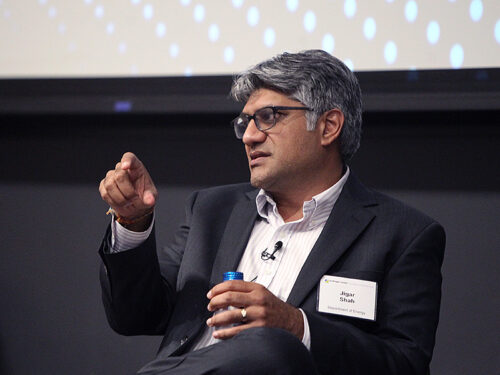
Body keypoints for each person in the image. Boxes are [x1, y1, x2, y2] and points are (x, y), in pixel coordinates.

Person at [98, 50, 445, 375]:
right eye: (246, 122)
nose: (248, 136)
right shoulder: (212, 210)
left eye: (267, 118)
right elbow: (135, 316)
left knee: (275, 346)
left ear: (328, 126)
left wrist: (298, 326)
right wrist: (132, 223)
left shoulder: (402, 233)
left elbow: (406, 364)